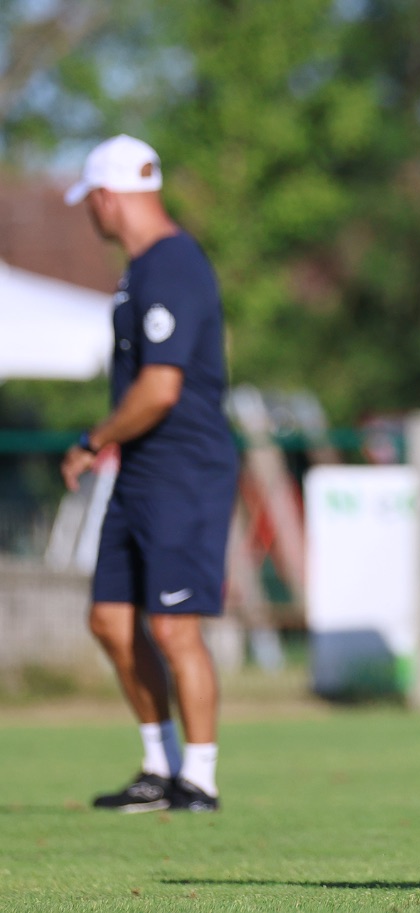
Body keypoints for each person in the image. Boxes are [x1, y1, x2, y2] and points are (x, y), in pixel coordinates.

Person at [61, 134, 238, 813]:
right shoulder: (140, 270)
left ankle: (200, 777)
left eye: (91, 201)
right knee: (110, 618)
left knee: (173, 627)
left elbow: (161, 389)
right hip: (141, 467)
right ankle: (158, 766)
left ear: (108, 197)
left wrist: (93, 439)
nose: (91, 213)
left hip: (184, 468)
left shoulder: (172, 264)